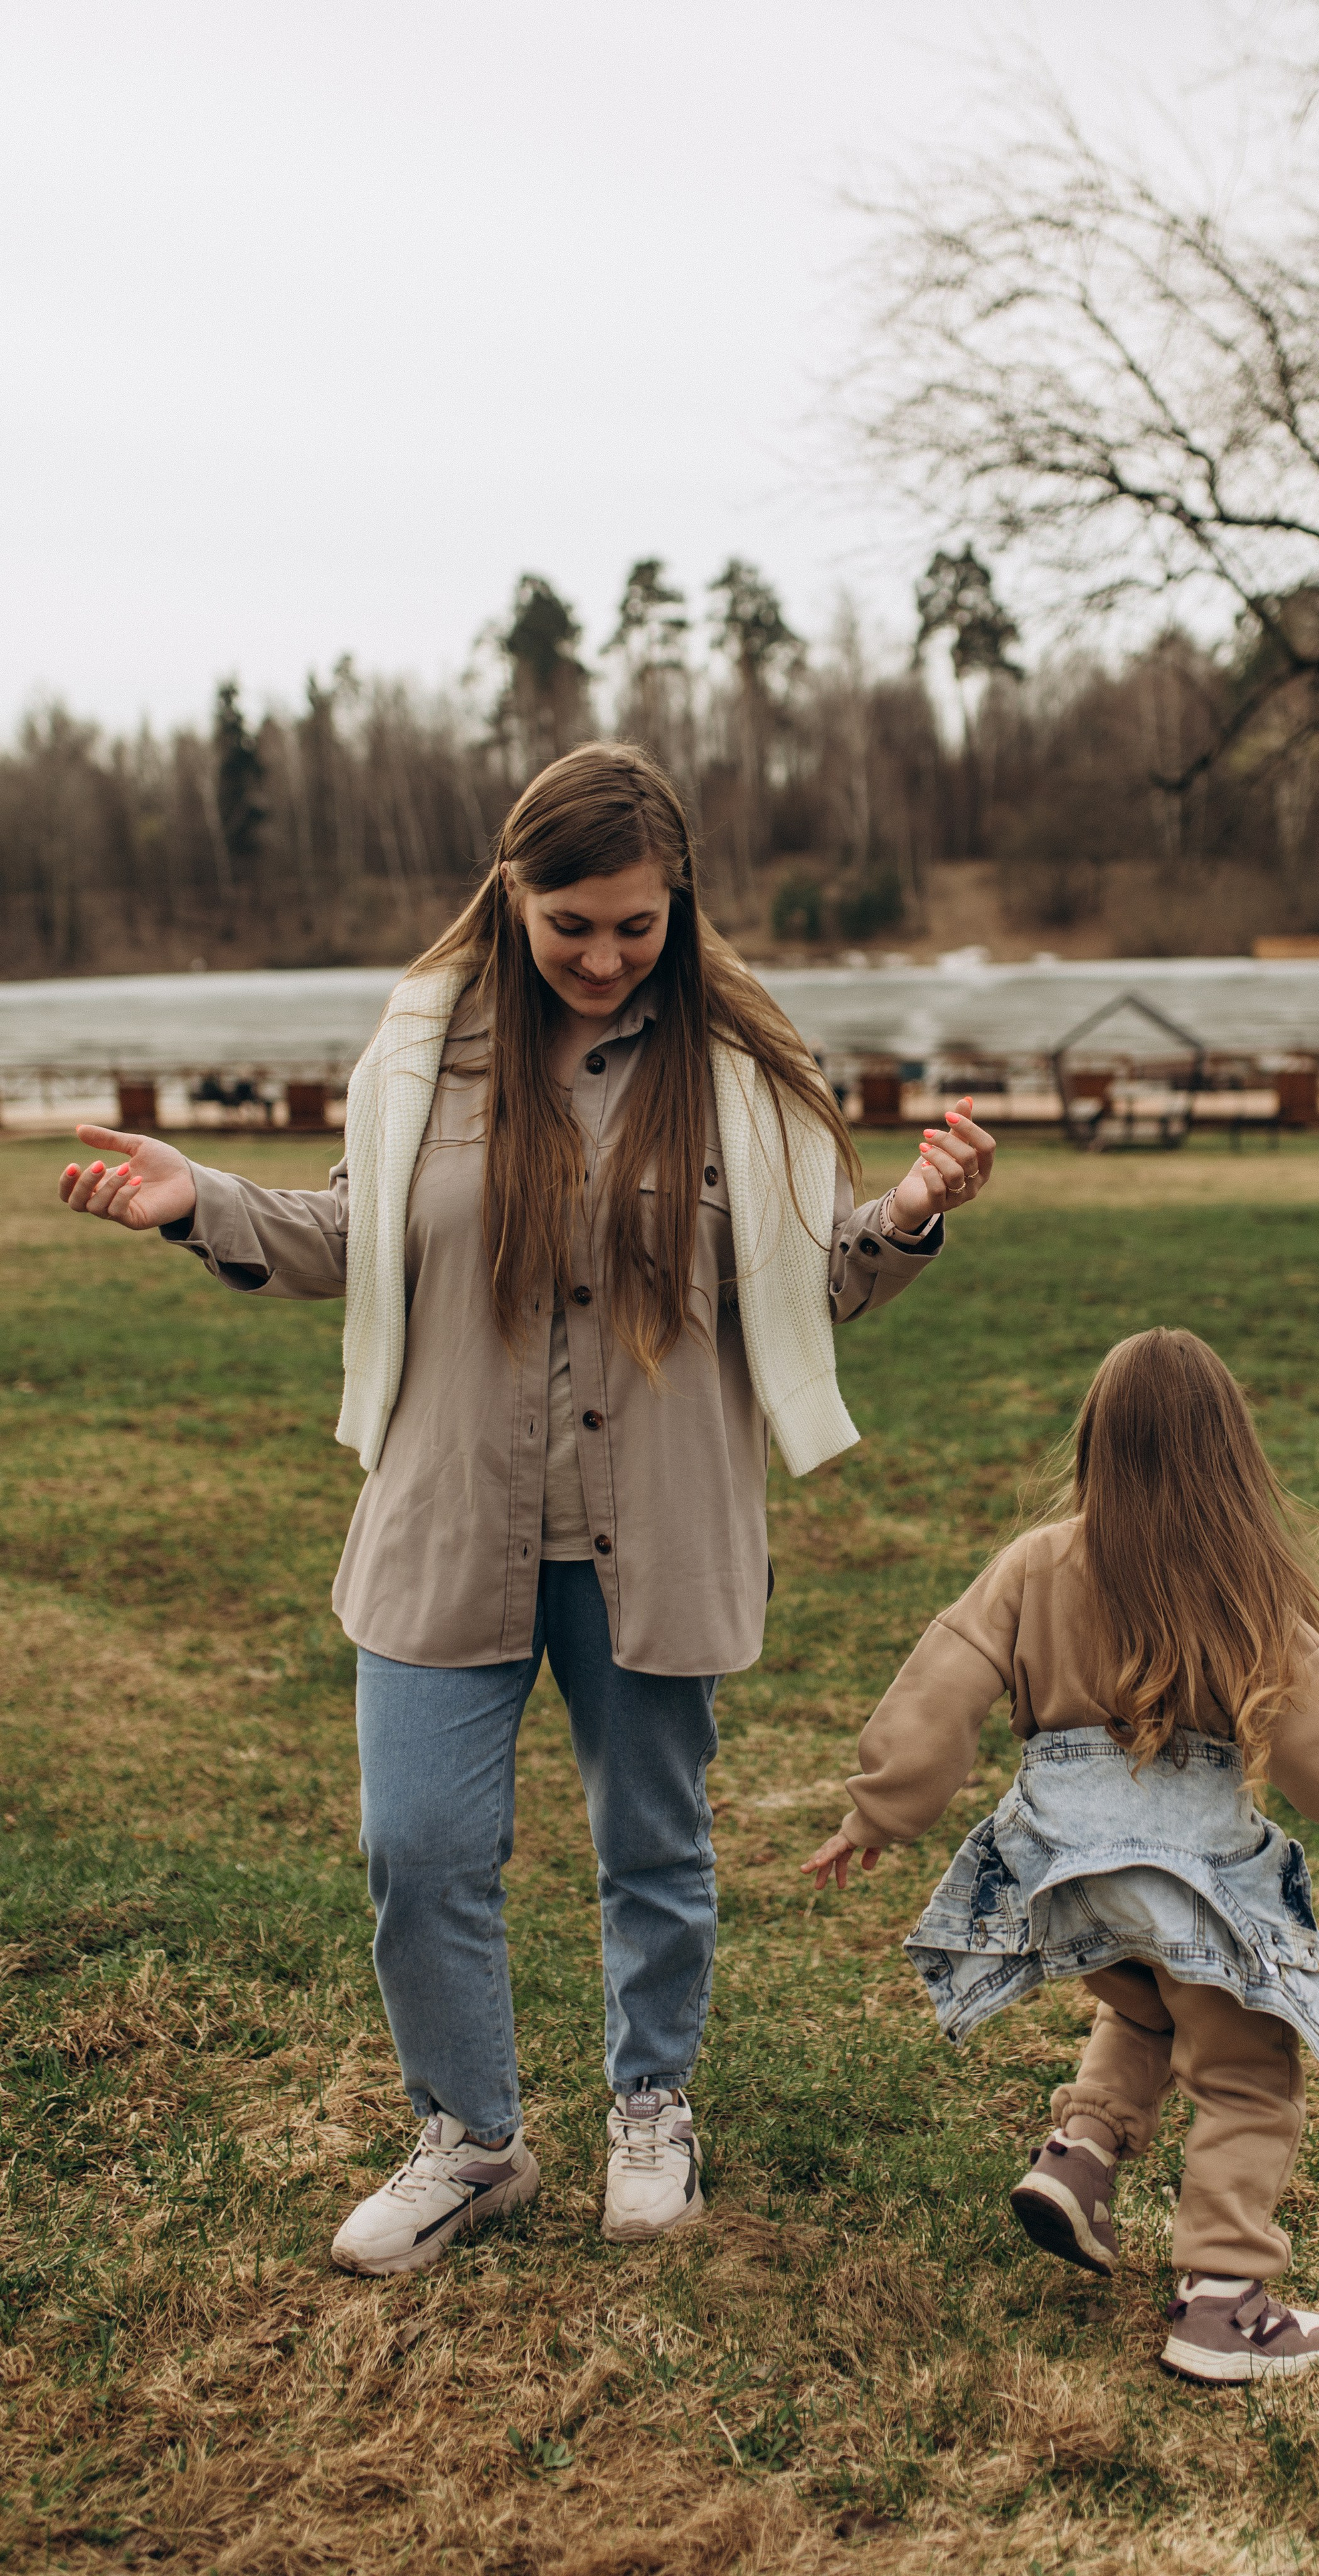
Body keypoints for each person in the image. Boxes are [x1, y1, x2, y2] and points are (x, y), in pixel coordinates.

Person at [59, 740, 994, 2273]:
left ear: (678, 906)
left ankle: (651, 2105)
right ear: (511, 894)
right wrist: (202, 1203)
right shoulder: (421, 1057)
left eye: (636, 925)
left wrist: (900, 1217)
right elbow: (359, 1235)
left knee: (653, 1846)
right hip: (449, 1522)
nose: (605, 956)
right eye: (572, 925)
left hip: (661, 1528)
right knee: (417, 1847)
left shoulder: (742, 1076)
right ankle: (472, 2140)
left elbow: (816, 1279)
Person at [803, 1327, 1319, 2383]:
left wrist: (879, 1811)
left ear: (1098, 1444)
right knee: (1249, 2071)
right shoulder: (1249, 1586)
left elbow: (939, 1688)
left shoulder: (1037, 1563)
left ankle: (1082, 2156)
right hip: (1193, 1878)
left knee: (1146, 2005)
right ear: (1232, 1456)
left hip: (1062, 1874)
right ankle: (1223, 2303)